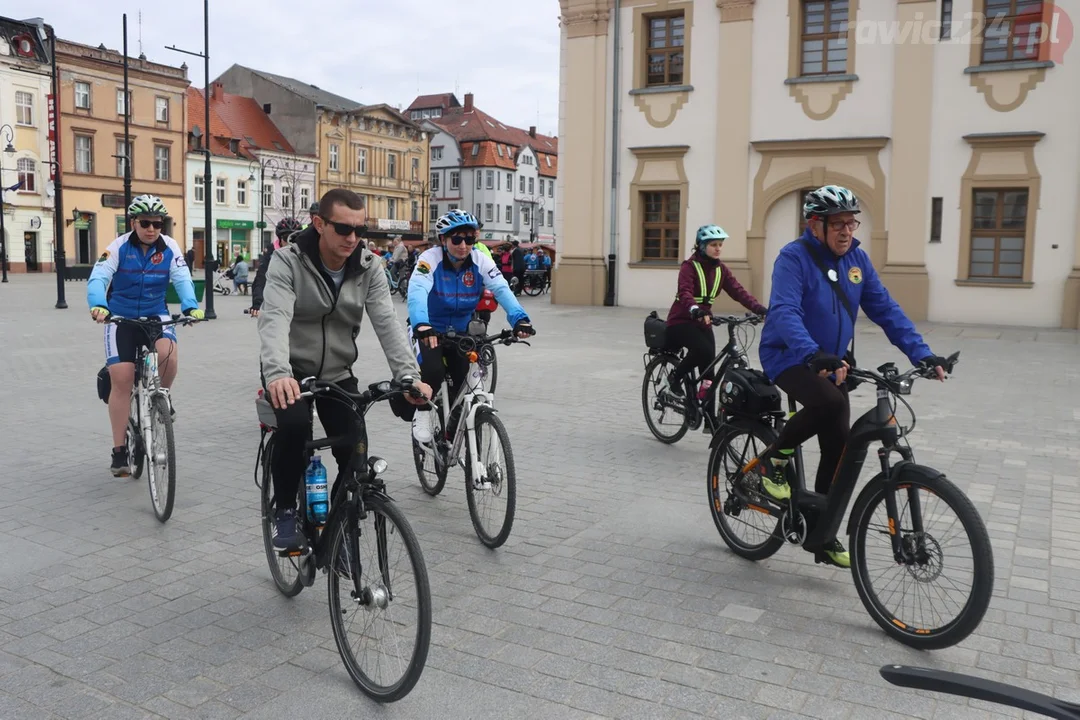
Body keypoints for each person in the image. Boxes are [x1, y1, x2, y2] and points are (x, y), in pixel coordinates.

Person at [753, 185, 949, 568]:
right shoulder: (793, 258)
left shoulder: (857, 259)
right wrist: (812, 353)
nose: (847, 231)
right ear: (815, 225)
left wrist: (922, 354)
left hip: (833, 362)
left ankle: (822, 535)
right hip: (789, 355)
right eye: (838, 223)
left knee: (840, 449)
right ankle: (772, 461)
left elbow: (886, 309)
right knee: (825, 401)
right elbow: (785, 311)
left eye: (851, 222)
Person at [258, 189, 432, 549]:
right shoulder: (288, 262)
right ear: (319, 224)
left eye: (359, 229)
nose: (352, 238)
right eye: (342, 228)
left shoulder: (369, 267)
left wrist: (409, 376)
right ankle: (286, 510)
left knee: (355, 450)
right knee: (292, 428)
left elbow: (387, 322)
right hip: (290, 370)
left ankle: (338, 529)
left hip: (337, 373)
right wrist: (277, 374)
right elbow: (275, 318)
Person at [87, 195, 205, 476]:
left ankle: (161, 399)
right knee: (123, 378)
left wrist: (190, 306)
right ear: (133, 223)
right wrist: (98, 304)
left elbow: (182, 279)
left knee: (169, 356)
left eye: (158, 223)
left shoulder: (170, 248)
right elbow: (98, 278)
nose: (152, 228)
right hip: (121, 316)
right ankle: (119, 451)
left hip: (155, 314)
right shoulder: (118, 247)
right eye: (145, 223)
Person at [407, 210, 535, 443]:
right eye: (456, 239)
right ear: (443, 240)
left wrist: (519, 319)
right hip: (430, 329)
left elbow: (501, 288)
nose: (463, 245)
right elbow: (417, 291)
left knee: (464, 380)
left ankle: (451, 430)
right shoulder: (429, 259)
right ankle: (423, 412)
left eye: (469, 239)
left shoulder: (480, 260)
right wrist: (421, 324)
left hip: (460, 332)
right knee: (433, 371)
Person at [664, 225, 767, 417]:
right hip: (681, 321)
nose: (718, 248)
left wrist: (759, 308)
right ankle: (675, 377)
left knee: (709, 371)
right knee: (702, 351)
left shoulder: (721, 270)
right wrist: (695, 308)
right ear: (702, 246)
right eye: (713, 244)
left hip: (703, 322)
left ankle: (708, 418)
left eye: (720, 244)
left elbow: (738, 291)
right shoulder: (689, 266)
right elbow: (684, 291)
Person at [249, 217, 303, 317]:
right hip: (277, 302)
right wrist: (257, 304)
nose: (290, 241)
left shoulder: (304, 253)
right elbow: (261, 279)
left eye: (294, 238)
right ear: (280, 239)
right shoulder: (271, 254)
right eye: (286, 237)